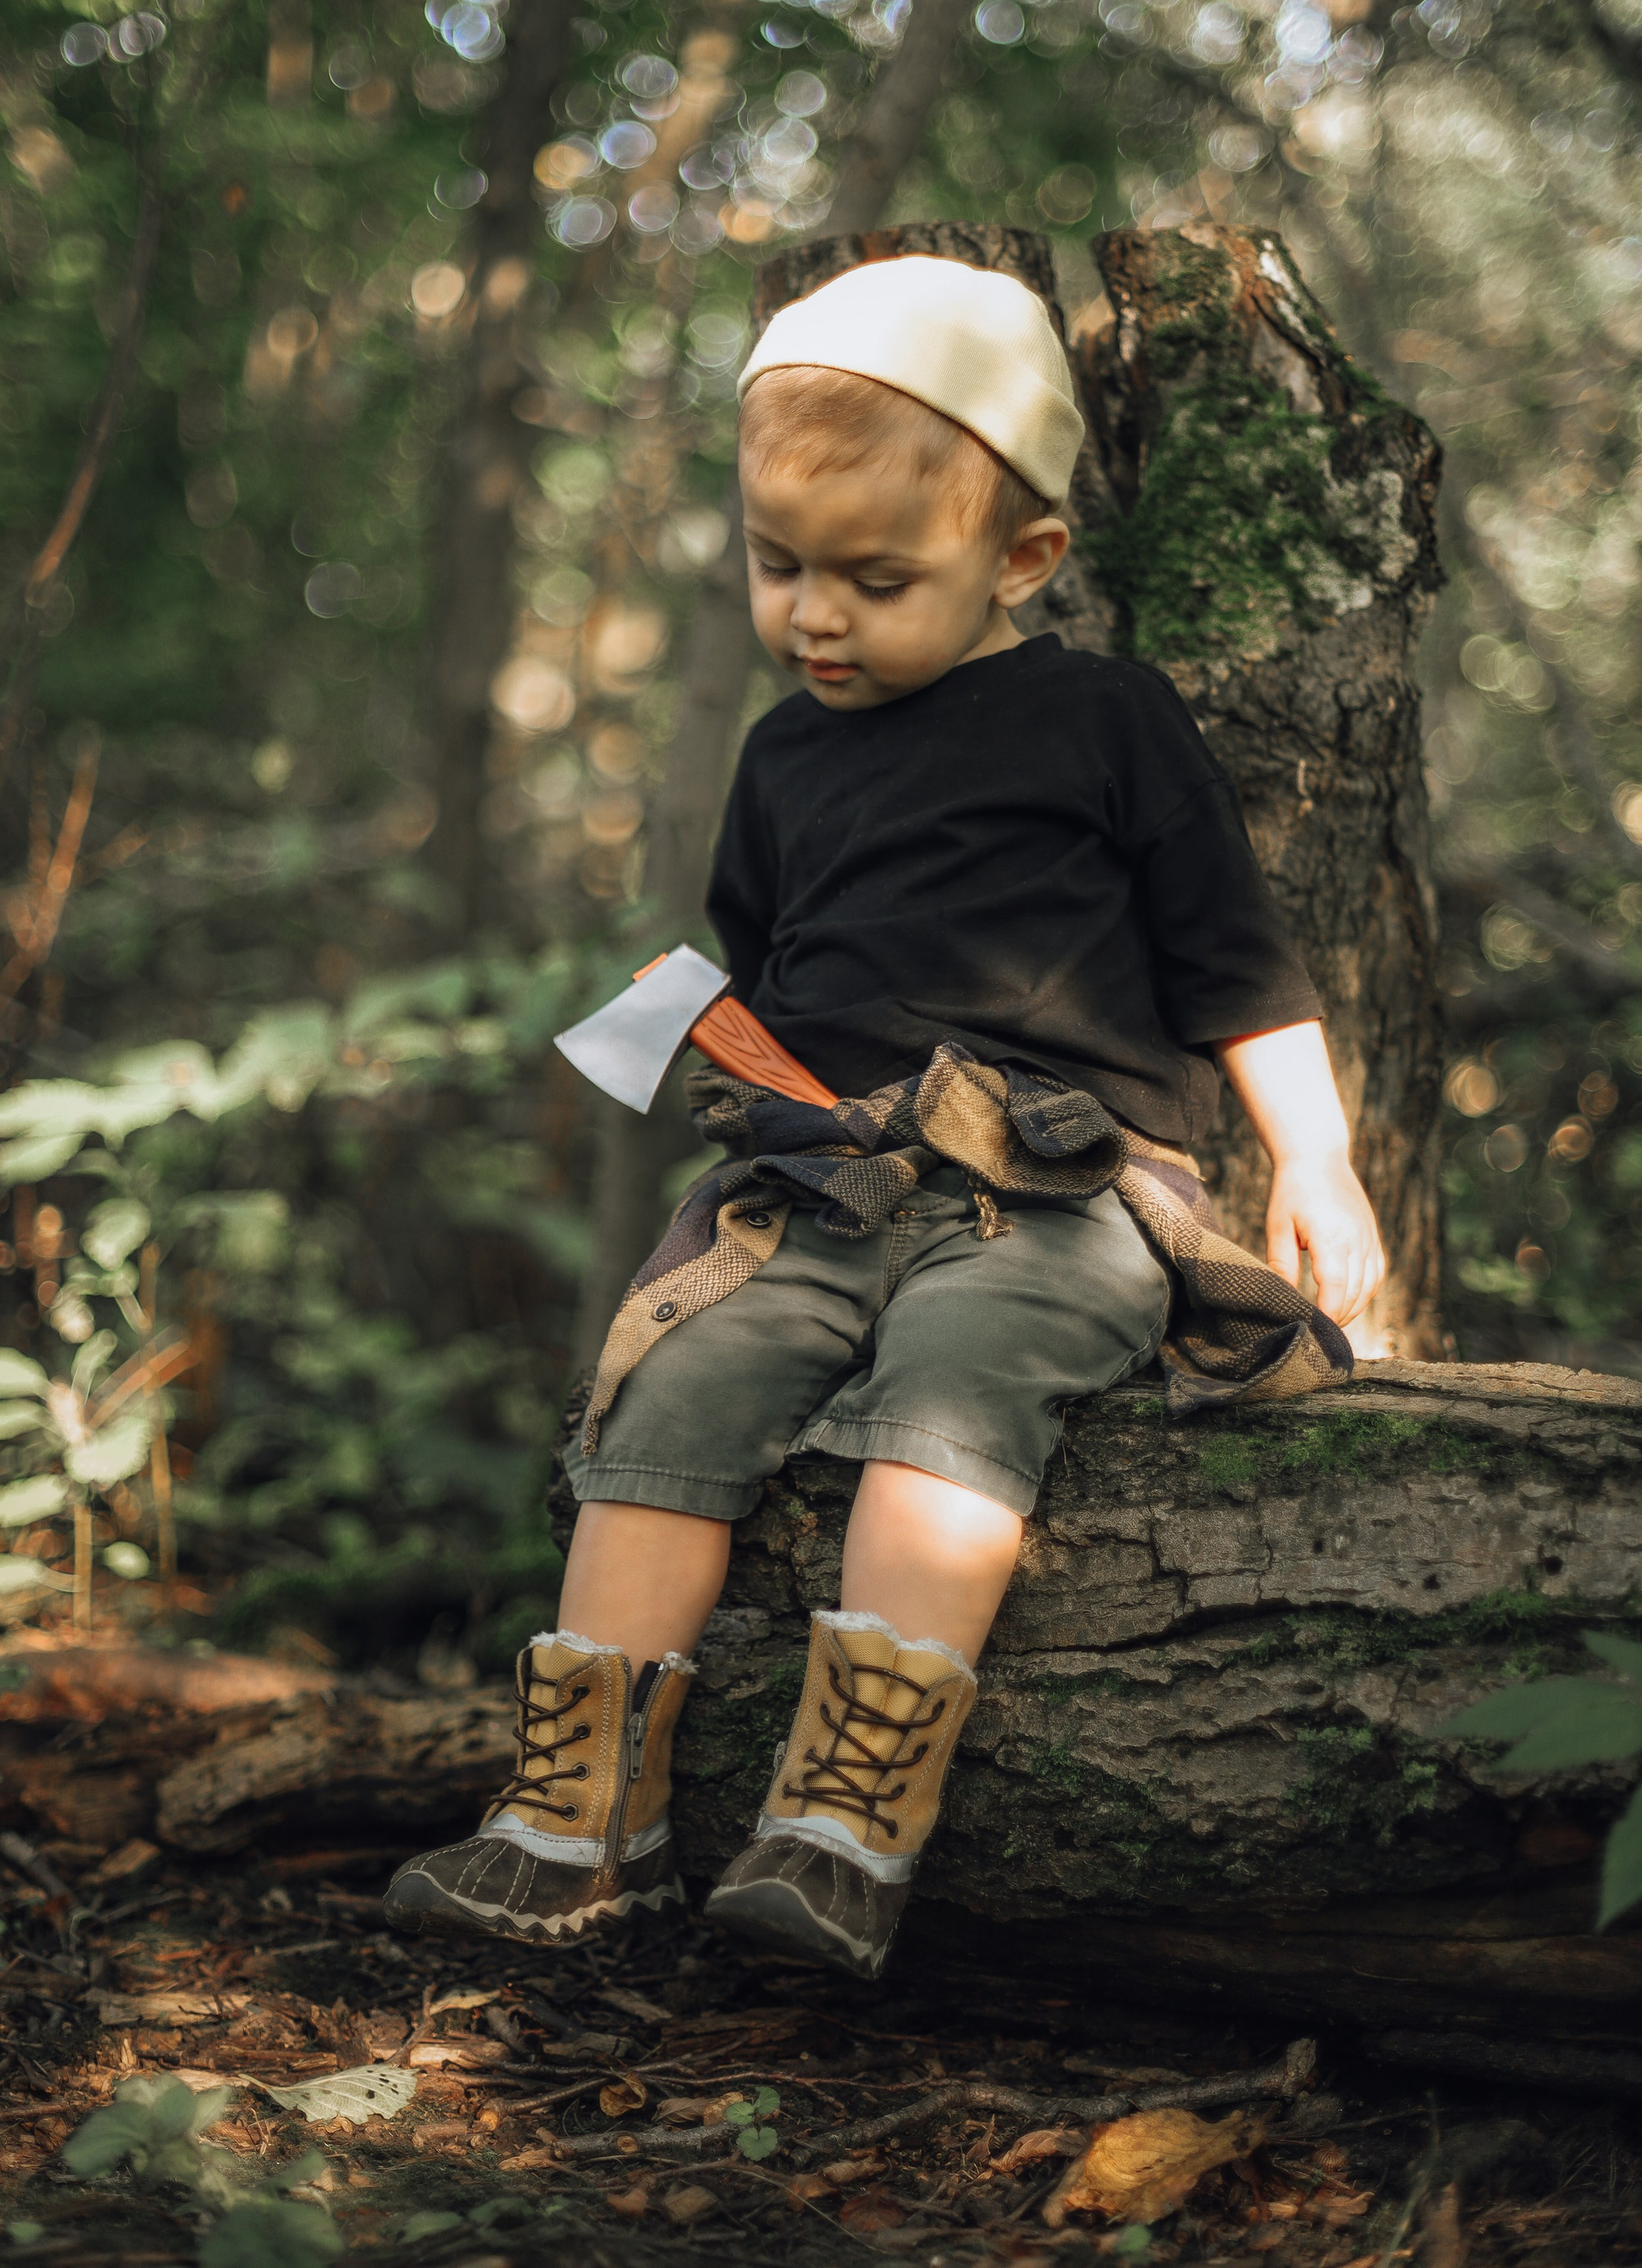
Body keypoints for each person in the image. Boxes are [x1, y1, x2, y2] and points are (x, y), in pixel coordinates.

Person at [385, 253, 1385, 1977]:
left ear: (1022, 560)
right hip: (825, 1180)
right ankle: (574, 1823)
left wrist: (1313, 1159)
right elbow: (772, 977)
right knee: (672, 1383)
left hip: (1052, 1189)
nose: (815, 617)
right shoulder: (783, 755)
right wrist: (708, 1054)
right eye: (778, 568)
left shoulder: (1099, 717)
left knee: (956, 1379)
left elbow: (1235, 963)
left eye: (873, 576)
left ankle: (845, 1828)